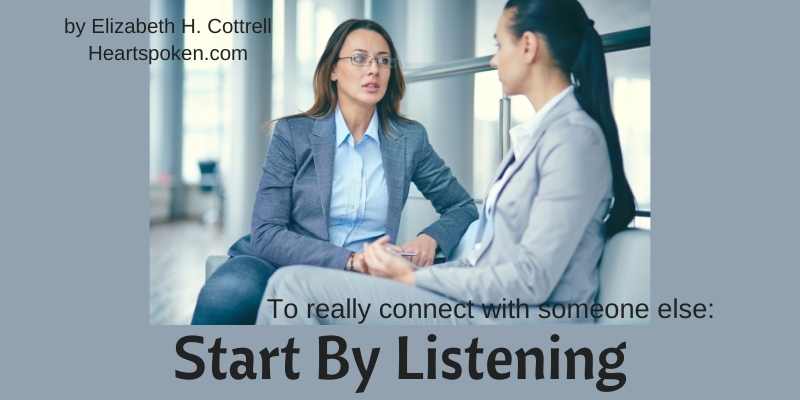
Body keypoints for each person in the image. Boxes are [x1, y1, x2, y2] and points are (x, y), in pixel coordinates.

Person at [257, 0, 636, 325]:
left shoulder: (573, 139)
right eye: (359, 59)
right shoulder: (541, 135)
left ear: (528, 47)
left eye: (498, 44)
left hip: (514, 323)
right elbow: (492, 264)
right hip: (481, 307)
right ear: (334, 71)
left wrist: (412, 277)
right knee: (286, 286)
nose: (492, 59)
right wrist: (415, 274)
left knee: (292, 288)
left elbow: (530, 280)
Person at [191, 19, 478, 325]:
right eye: (359, 58)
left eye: (383, 60)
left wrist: (431, 238)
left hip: (358, 281)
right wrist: (350, 261)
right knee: (229, 291)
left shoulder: (409, 139)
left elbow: (461, 206)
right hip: (278, 262)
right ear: (332, 71)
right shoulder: (293, 133)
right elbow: (267, 233)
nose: (374, 70)